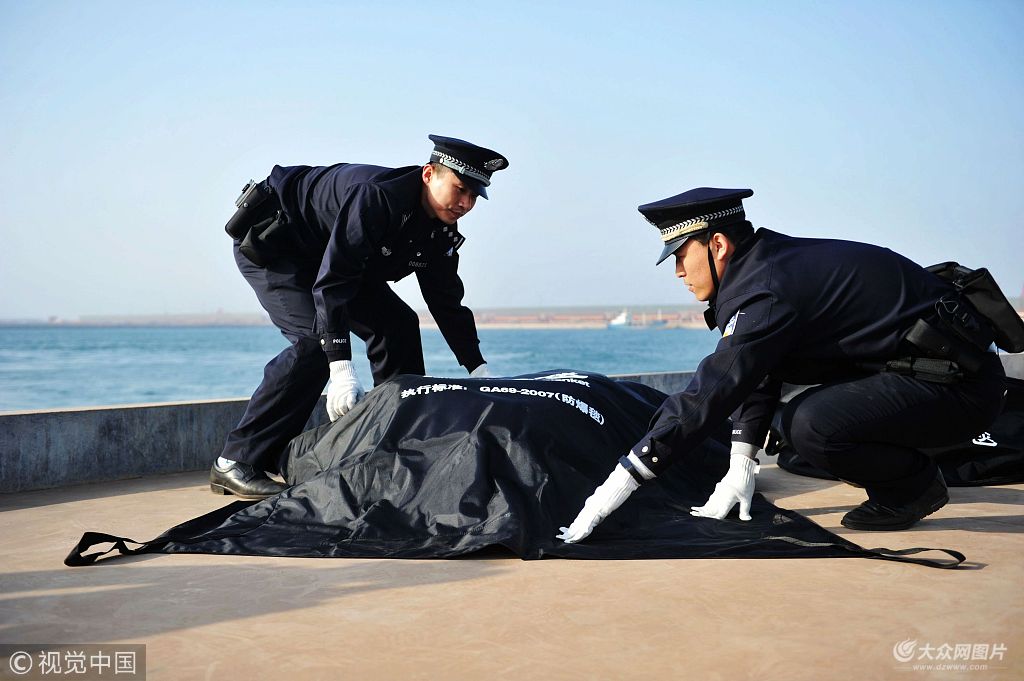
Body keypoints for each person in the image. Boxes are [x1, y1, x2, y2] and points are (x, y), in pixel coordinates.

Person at [558, 187, 1007, 542]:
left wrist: (617, 486)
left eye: (679, 255)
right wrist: (741, 464)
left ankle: (913, 488)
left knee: (810, 425)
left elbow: (708, 394)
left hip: (959, 389)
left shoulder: (766, 290)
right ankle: (905, 471)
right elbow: (757, 369)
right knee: (798, 421)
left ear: (716, 244)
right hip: (928, 376)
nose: (677, 270)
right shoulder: (765, 267)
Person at [210, 135, 509, 499]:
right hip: (278, 246)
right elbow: (333, 283)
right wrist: (341, 370)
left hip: (334, 258)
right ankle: (234, 462)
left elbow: (446, 301)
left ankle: (398, 446)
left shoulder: (440, 228)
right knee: (313, 345)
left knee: (397, 325)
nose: (466, 203)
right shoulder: (378, 198)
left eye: (475, 197)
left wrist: (478, 369)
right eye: (460, 189)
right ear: (429, 174)